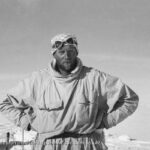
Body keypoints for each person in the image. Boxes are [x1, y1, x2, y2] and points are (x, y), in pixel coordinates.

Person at [0, 33, 139, 150]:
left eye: (71, 51)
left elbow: (130, 99)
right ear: (54, 54)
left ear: (76, 53)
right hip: (48, 144)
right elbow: (5, 104)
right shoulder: (37, 80)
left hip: (88, 144)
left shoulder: (95, 78)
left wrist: (107, 121)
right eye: (61, 52)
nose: (67, 56)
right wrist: (26, 122)